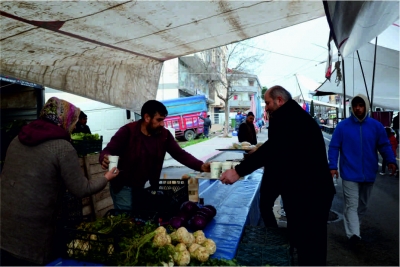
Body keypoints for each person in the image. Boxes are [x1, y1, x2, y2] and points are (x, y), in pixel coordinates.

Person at [220, 86, 335, 266]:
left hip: (311, 194)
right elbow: (281, 153)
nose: (265, 107)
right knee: (304, 242)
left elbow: (273, 149)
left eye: (267, 103)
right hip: (305, 191)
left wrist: (238, 171)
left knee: (311, 245)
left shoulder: (291, 118)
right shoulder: (289, 116)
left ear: (279, 100)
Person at [0, 97, 119, 266]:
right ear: (65, 120)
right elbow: (81, 189)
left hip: (4, 225)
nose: (75, 126)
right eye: (74, 122)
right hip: (34, 233)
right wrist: (107, 177)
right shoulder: (62, 148)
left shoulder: (16, 140)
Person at [99, 100, 210, 210]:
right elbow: (108, 150)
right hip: (123, 186)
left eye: (163, 120)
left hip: (143, 186)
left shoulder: (163, 135)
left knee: (140, 218)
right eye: (159, 120)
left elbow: (180, 154)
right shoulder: (128, 131)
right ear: (147, 117)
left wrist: (200, 166)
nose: (162, 124)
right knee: (127, 219)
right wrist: (104, 158)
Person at [328, 94, 396, 246]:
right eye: (355, 105)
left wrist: (391, 160)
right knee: (351, 205)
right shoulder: (342, 126)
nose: (358, 108)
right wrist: (332, 166)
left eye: (361, 105)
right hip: (349, 173)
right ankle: (354, 235)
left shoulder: (376, 126)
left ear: (366, 106)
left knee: (362, 206)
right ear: (352, 107)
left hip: (369, 174)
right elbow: (334, 147)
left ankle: (354, 230)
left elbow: (384, 145)